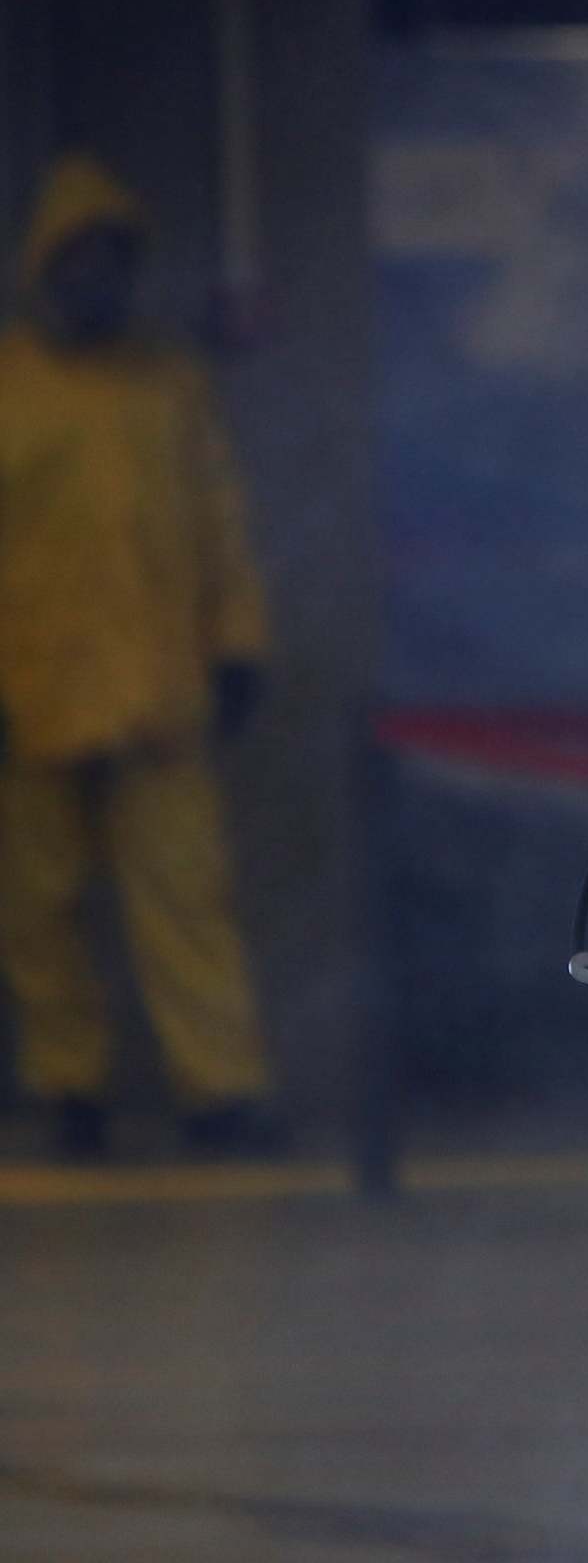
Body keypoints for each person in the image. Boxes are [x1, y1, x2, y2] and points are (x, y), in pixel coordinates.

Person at [0, 154, 284, 1161]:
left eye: (112, 261)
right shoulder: (11, 389)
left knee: (186, 901)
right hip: (31, 696)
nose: (95, 280)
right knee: (41, 912)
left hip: (162, 696)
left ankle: (222, 1095)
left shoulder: (170, 387)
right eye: (78, 260)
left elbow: (219, 526)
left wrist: (238, 646)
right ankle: (70, 1090)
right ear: (45, 268)